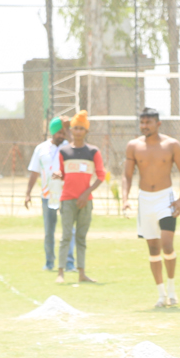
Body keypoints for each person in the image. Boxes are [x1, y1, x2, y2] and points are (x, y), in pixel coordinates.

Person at [123, 108, 180, 308]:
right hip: (145, 200)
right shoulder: (133, 146)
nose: (144, 126)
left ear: (158, 124)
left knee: (167, 245)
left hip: (165, 199)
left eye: (148, 122)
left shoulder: (172, 145)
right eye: (142, 122)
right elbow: (127, 175)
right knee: (153, 248)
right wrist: (125, 199)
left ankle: (172, 289)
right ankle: (161, 295)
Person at [56, 110, 105, 284]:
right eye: (75, 128)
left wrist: (86, 193)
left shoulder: (93, 152)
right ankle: (60, 272)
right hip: (67, 199)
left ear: (86, 131)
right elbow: (62, 173)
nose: (78, 131)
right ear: (71, 130)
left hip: (85, 201)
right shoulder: (64, 151)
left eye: (81, 129)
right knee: (66, 236)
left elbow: (101, 176)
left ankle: (82, 273)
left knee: (81, 238)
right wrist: (57, 174)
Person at [25, 117, 75, 272]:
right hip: (47, 195)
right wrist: (28, 193)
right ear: (52, 132)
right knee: (49, 232)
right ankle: (49, 262)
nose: (61, 135)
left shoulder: (69, 147)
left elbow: (76, 153)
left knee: (69, 230)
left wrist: (68, 129)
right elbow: (34, 171)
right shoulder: (41, 149)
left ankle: (69, 263)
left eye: (64, 132)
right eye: (59, 132)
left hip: (65, 195)